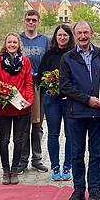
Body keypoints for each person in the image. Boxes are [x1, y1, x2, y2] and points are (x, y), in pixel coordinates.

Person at [59, 21, 100, 200]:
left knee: (96, 154)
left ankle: (95, 190)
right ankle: (79, 190)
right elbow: (65, 86)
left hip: (99, 113)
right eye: (79, 33)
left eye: (86, 32)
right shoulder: (67, 58)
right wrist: (87, 99)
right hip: (76, 113)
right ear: (74, 34)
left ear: (91, 33)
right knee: (77, 154)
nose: (83, 36)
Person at [0, 33, 34, 185]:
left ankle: (15, 170)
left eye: (15, 42)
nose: (12, 45)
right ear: (5, 44)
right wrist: (2, 96)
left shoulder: (26, 62)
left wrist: (29, 100)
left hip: (22, 108)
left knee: (19, 140)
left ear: (19, 44)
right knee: (4, 140)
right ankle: (5, 170)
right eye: (9, 42)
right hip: (4, 108)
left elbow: (28, 83)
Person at [38, 24, 75, 181]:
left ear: (69, 37)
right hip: (52, 99)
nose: (62, 38)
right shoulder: (49, 55)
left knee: (70, 134)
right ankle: (55, 167)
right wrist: (49, 81)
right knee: (53, 134)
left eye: (65, 35)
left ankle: (67, 166)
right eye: (59, 35)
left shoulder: (74, 54)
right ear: (55, 37)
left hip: (70, 99)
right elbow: (40, 75)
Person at [17, 9, 50, 174]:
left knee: (37, 125)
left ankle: (37, 160)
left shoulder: (45, 41)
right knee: (23, 127)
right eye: (28, 19)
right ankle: (22, 161)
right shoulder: (18, 39)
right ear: (24, 21)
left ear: (38, 22)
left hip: (39, 88)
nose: (31, 22)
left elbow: (50, 62)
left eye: (34, 20)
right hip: (21, 88)